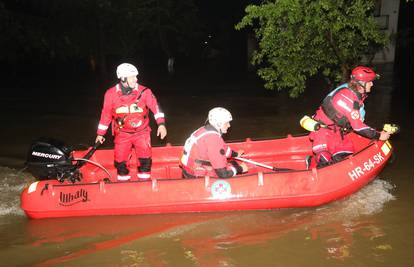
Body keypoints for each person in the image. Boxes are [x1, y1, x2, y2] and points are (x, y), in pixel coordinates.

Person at [95, 63, 167, 181]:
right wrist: (100, 134)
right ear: (123, 78)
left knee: (145, 160)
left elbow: (156, 108)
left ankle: (144, 185)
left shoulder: (145, 92)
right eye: (132, 77)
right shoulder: (110, 94)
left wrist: (161, 124)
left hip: (142, 133)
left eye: (136, 76)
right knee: (120, 162)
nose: (136, 79)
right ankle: (124, 186)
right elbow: (106, 115)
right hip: (122, 134)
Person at [309, 66, 390, 167]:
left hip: (337, 132)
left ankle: (330, 166)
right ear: (361, 84)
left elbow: (359, 120)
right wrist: (378, 135)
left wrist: (374, 131)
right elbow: (358, 127)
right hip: (322, 131)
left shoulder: (356, 94)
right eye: (369, 81)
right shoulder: (346, 97)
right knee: (324, 159)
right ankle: (311, 163)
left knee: (345, 155)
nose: (372, 84)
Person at [180, 107, 248, 178]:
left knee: (233, 163)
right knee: (234, 168)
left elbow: (223, 148)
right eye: (226, 123)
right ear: (219, 124)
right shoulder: (214, 140)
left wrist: (235, 154)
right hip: (196, 176)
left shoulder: (205, 129)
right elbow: (223, 174)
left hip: (188, 170)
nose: (229, 125)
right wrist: (240, 169)